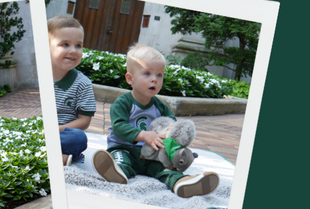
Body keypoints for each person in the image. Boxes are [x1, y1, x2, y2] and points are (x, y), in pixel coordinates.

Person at [92, 44, 219, 197]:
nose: (154, 79)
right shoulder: (123, 102)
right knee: (120, 159)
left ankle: (181, 183)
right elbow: (119, 127)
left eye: (159, 75)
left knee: (164, 169)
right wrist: (144, 135)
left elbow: (171, 127)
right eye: (147, 73)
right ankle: (117, 172)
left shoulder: (160, 106)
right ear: (130, 79)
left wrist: (172, 140)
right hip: (124, 148)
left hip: (151, 155)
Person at [48, 15, 96, 166]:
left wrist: (56, 130)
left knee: (79, 138)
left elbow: (84, 121)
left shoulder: (83, 84)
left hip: (64, 133)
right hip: (39, 129)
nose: (73, 51)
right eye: (65, 44)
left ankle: (55, 153)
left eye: (78, 45)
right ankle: (56, 154)